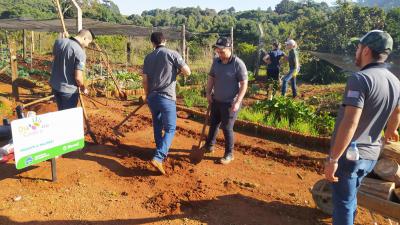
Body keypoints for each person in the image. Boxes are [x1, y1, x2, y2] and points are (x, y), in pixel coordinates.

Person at [324, 30, 400, 225]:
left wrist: (333, 158)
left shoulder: (360, 79)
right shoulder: (395, 82)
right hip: (372, 156)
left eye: (358, 48)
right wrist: (392, 129)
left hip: (350, 156)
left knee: (342, 203)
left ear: (366, 50)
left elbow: (351, 121)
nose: (356, 52)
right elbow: (397, 112)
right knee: (350, 197)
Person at [142, 32, 191, 175]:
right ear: (165, 40)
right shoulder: (172, 54)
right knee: (170, 128)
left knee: (157, 125)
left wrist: (146, 95)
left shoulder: (148, 57)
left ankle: (159, 149)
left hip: (152, 97)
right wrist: (178, 71)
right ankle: (158, 157)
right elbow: (187, 72)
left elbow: (145, 81)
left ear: (152, 43)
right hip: (166, 98)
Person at [202, 37, 248, 165]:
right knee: (214, 124)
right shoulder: (216, 62)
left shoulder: (238, 64)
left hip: (230, 103)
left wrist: (238, 101)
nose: (219, 54)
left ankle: (229, 154)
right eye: (217, 51)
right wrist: (208, 93)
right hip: (216, 100)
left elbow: (244, 84)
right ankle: (209, 146)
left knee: (227, 128)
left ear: (229, 49)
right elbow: (211, 78)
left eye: (222, 51)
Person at [50, 29, 95, 110]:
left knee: (61, 111)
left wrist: (64, 38)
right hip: (68, 91)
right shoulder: (80, 52)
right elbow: (78, 78)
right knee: (69, 116)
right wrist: (83, 88)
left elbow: (56, 57)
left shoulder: (58, 42)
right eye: (88, 42)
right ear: (84, 38)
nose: (87, 45)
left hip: (55, 86)